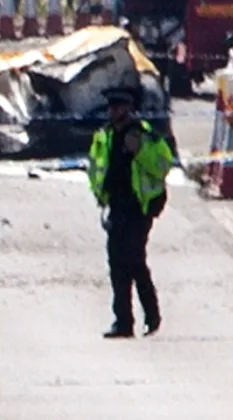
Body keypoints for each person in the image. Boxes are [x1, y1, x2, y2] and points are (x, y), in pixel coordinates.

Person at [87, 86, 175, 339]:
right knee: (116, 264)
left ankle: (152, 316)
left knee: (134, 260)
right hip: (116, 206)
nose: (114, 112)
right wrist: (100, 194)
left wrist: (140, 151)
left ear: (128, 109)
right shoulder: (104, 136)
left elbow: (162, 166)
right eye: (111, 108)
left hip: (140, 207)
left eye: (119, 107)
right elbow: (95, 166)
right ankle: (123, 321)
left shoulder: (145, 136)